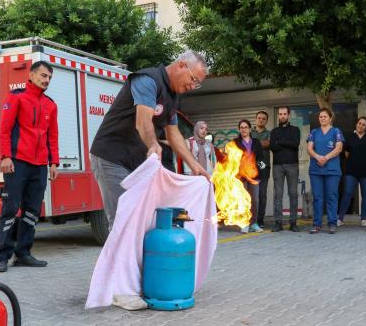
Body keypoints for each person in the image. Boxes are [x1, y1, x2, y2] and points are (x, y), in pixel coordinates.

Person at [90, 51, 210, 236]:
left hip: (137, 162)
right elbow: (143, 122)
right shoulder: (148, 80)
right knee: (124, 220)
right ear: (181, 65)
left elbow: (173, 133)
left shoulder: (174, 96)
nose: (193, 86)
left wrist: (195, 165)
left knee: (144, 219)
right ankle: (117, 264)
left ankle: (139, 263)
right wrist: (153, 144)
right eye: (193, 79)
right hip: (111, 157)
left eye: (197, 83)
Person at [0, 61, 59, 273]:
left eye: (49, 77)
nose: (46, 80)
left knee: (31, 211)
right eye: (42, 75)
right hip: (17, 163)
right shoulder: (16, 97)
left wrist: (54, 162)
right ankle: (3, 256)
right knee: (10, 209)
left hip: (39, 166)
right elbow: (5, 130)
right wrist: (5, 156)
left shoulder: (51, 105)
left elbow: (53, 136)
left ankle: (23, 254)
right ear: (30, 75)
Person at [307, 108, 344, 234]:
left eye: (324, 116)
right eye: (320, 117)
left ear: (330, 118)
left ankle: (332, 223)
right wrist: (318, 157)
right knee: (317, 197)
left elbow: (339, 148)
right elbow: (309, 148)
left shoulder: (336, 131)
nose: (322, 118)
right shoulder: (314, 132)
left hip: (332, 170)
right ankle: (317, 224)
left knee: (332, 196)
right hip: (316, 169)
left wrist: (326, 158)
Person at [337, 116, 366, 227]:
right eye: (359, 123)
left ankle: (363, 219)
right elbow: (346, 153)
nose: (360, 125)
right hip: (351, 171)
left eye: (363, 124)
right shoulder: (350, 137)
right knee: (347, 193)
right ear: (356, 124)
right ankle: (340, 218)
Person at [270, 106, 301, 232]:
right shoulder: (274, 131)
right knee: (278, 194)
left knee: (293, 194)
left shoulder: (295, 130)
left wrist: (280, 142)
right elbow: (272, 146)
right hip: (277, 165)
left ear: (288, 115)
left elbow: (295, 144)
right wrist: (286, 143)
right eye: (280, 114)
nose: (282, 116)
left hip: (292, 164)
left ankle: (293, 222)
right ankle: (278, 223)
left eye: (284, 114)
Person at [234, 119, 265, 233]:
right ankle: (244, 223)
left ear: (250, 129)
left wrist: (261, 170)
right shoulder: (235, 143)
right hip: (241, 176)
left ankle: (253, 223)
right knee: (242, 200)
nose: (244, 129)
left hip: (254, 176)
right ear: (239, 129)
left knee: (255, 200)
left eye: (246, 127)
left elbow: (261, 157)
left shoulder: (256, 142)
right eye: (241, 127)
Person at [251, 111, 271, 227]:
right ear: (255, 119)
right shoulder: (249, 132)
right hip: (250, 168)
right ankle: (251, 220)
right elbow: (245, 144)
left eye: (263, 119)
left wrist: (253, 143)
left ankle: (260, 220)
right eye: (259, 118)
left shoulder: (269, 133)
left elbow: (268, 143)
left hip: (264, 167)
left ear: (266, 121)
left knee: (262, 195)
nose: (261, 120)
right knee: (251, 195)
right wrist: (261, 143)